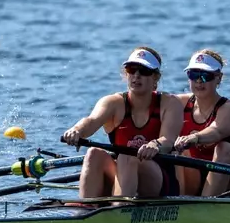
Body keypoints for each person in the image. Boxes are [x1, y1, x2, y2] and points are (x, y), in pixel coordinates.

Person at [61, 46, 179, 200]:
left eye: (144, 71)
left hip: (158, 178)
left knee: (127, 156)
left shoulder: (169, 103)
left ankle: (119, 210)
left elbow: (168, 140)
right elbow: (90, 122)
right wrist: (76, 130)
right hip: (124, 172)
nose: (136, 76)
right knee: (94, 153)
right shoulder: (112, 103)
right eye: (131, 69)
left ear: (156, 77)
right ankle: (86, 208)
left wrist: (155, 144)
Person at [163, 49, 230, 197]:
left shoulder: (229, 109)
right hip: (192, 176)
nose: (199, 81)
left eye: (205, 75)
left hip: (229, 184)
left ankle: (205, 204)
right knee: (178, 151)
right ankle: (177, 203)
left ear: (218, 78)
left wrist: (195, 138)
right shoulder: (178, 103)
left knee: (224, 149)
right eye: (193, 75)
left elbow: (216, 130)